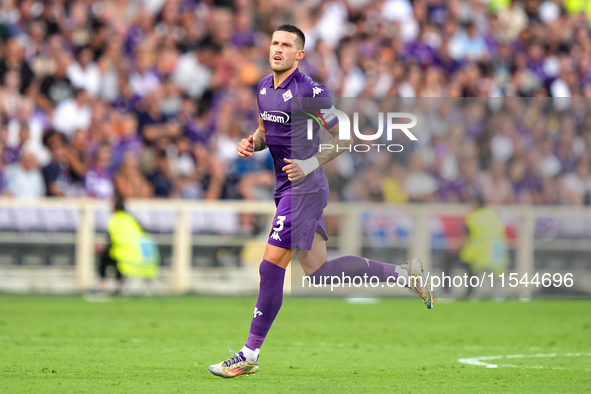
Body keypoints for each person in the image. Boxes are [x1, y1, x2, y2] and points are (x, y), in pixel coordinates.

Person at [208, 25, 435, 379]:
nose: (277, 49)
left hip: (306, 188)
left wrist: (309, 163)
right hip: (287, 188)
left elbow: (345, 137)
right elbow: (268, 132)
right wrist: (251, 143)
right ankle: (405, 275)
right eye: (274, 43)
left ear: (299, 54)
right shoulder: (264, 87)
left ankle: (249, 353)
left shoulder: (310, 93)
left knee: (270, 266)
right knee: (318, 272)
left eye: (286, 45)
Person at [97, 196, 159, 295]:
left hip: (124, 252)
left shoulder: (115, 219)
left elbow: (110, 238)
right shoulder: (131, 219)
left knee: (104, 258)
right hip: (142, 255)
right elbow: (144, 233)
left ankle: (102, 288)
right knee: (117, 261)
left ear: (114, 209)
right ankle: (118, 288)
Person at [458, 193, 509, 297]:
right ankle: (499, 296)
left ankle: (470, 294)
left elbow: (465, 235)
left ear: (476, 204)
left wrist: (459, 248)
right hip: (497, 252)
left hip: (479, 253)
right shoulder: (493, 214)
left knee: (472, 272)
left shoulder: (473, 216)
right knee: (496, 277)